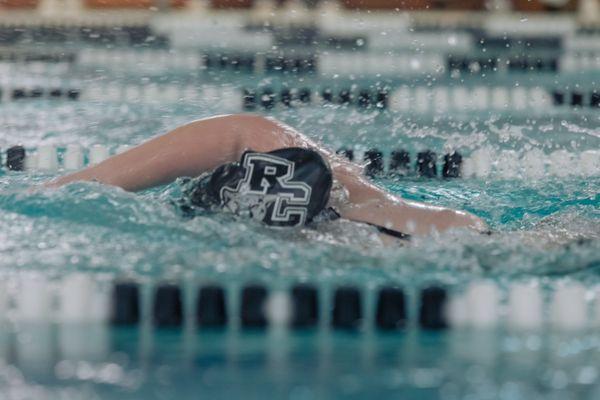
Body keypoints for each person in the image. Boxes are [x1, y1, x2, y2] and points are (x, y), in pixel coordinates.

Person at [47, 114, 487, 238]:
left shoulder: (361, 206)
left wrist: (56, 191)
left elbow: (242, 132)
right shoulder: (365, 203)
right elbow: (243, 131)